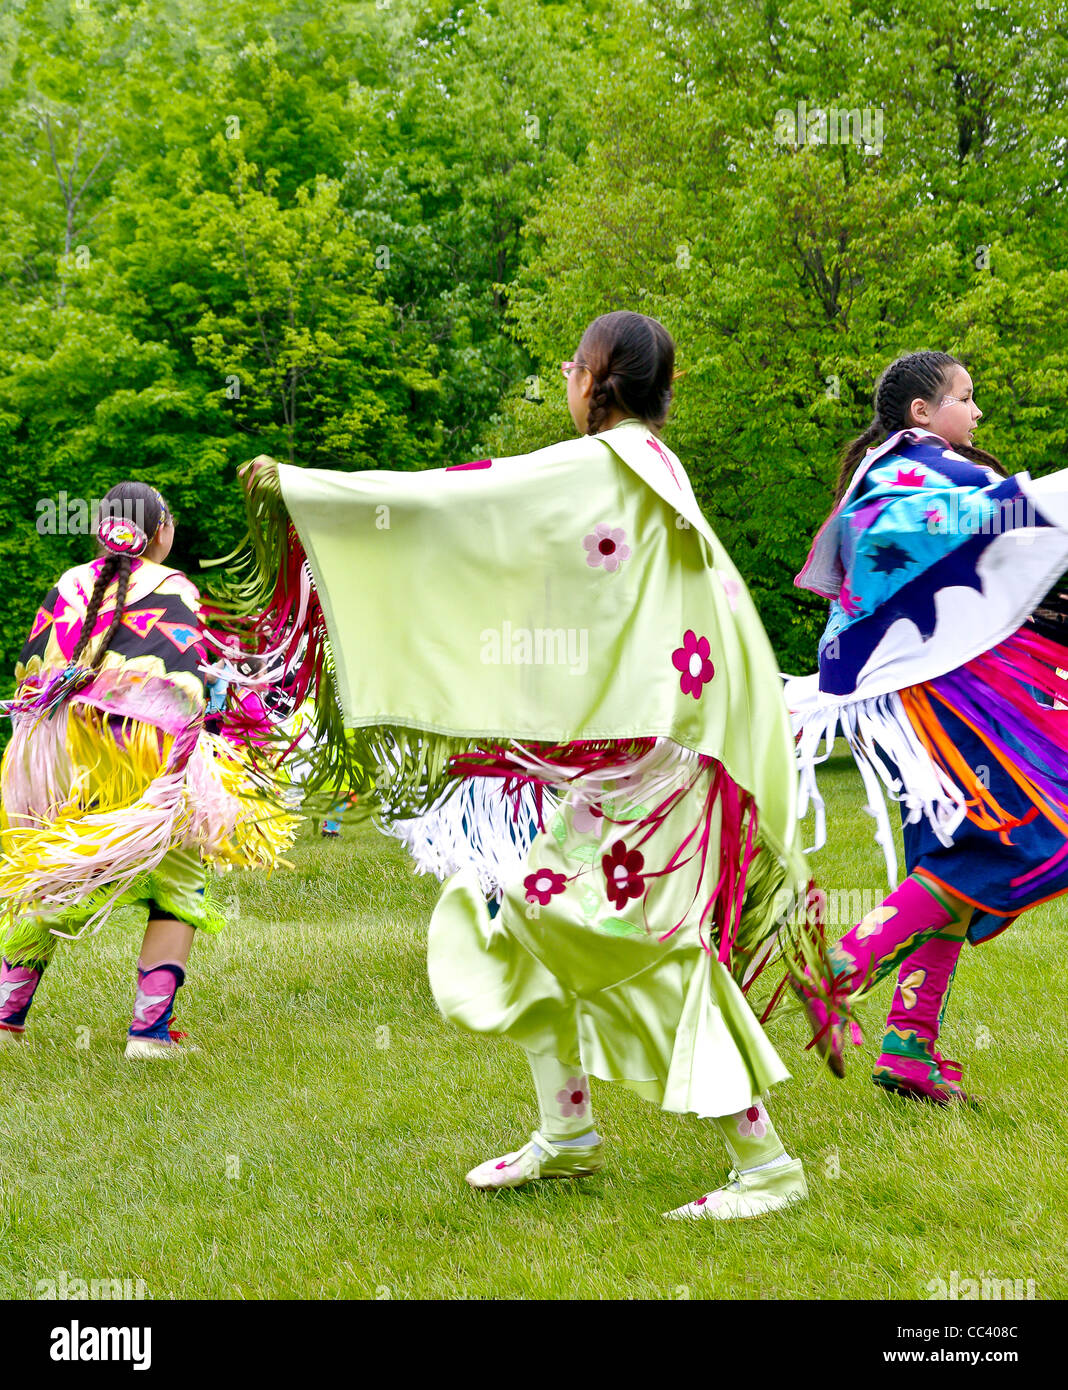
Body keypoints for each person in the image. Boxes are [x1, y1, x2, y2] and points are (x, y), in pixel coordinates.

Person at [224, 311, 818, 1219]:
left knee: (640, 947)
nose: (570, 382)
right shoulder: (647, 467)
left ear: (597, 377)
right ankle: (568, 1132)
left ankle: (764, 1163)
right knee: (508, 917)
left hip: (638, 765)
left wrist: (307, 490)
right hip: (632, 751)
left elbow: (455, 501)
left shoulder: (601, 463)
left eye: (573, 368)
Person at [787, 350, 1068, 1101]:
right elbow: (1014, 518)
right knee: (1021, 834)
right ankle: (841, 965)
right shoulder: (922, 469)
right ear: (921, 412)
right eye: (965, 398)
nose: (976, 414)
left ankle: (909, 1049)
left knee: (949, 856)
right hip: (931, 701)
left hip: (908, 704)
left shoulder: (889, 475)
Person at [0, 482, 296, 1057]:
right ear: (160, 531)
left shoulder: (69, 584)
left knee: (56, 871)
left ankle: (6, 1019)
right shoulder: (174, 586)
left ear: (102, 531)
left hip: (64, 758)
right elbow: (185, 685)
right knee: (179, 874)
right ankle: (149, 1034)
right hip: (144, 752)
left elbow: (30, 675)